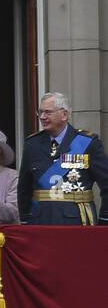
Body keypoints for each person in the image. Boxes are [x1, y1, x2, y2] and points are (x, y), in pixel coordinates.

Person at [18, 92, 108, 225]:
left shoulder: (87, 142)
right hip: (40, 220)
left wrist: (104, 220)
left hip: (77, 221)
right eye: (40, 112)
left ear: (64, 115)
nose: (42, 117)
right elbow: (24, 188)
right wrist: (25, 220)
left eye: (48, 112)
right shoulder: (32, 144)